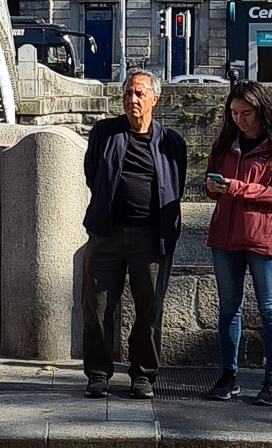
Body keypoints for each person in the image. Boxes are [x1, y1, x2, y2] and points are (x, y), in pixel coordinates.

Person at [80, 69, 187, 401]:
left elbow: (177, 184)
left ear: (155, 98)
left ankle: (143, 375)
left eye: (140, 94)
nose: (132, 100)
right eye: (127, 93)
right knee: (96, 307)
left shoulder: (171, 141)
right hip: (106, 234)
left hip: (151, 237)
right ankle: (98, 374)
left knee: (149, 309)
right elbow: (92, 174)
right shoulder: (104, 133)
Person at [205, 81, 272, 407]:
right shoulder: (225, 142)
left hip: (262, 237)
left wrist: (238, 188)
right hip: (225, 236)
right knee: (229, 308)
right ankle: (228, 375)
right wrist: (213, 187)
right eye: (233, 113)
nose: (240, 119)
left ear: (261, 109)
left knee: (270, 309)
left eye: (246, 113)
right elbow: (211, 180)